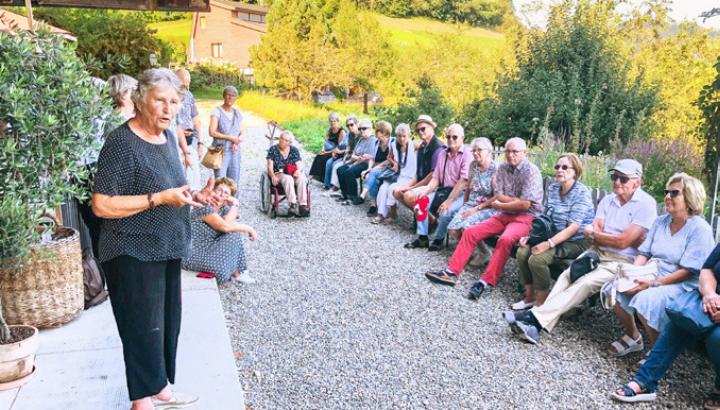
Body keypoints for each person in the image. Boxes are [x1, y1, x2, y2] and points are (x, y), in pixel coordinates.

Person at [91, 68, 216, 410]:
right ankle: (141, 401)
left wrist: (200, 196)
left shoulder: (165, 139)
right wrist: (158, 199)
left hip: (166, 245)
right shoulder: (121, 142)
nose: (168, 108)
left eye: (174, 101)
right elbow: (101, 205)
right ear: (139, 100)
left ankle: (160, 388)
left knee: (165, 323)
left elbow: (169, 185)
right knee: (140, 327)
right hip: (130, 249)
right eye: (159, 100)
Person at [505, 159, 658, 345]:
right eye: (614, 177)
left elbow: (622, 242)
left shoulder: (646, 204)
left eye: (623, 179)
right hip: (597, 252)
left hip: (623, 261)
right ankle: (535, 324)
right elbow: (592, 232)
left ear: (638, 182)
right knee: (566, 276)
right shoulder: (609, 200)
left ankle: (533, 319)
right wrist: (603, 237)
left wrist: (600, 236)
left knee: (584, 283)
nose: (617, 182)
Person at [608, 173, 713, 361]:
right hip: (652, 273)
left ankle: (658, 353)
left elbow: (689, 270)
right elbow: (645, 253)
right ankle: (633, 336)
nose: (667, 197)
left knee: (645, 299)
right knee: (613, 289)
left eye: (674, 193)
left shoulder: (699, 228)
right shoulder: (660, 221)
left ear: (690, 198)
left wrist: (653, 283)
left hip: (681, 283)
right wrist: (633, 273)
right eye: (667, 192)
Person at [425, 137, 543, 300]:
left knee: (505, 239)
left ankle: (485, 281)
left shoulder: (532, 171)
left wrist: (504, 204)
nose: (510, 155)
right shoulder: (502, 168)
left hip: (526, 218)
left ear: (524, 153)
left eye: (515, 151)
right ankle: (450, 272)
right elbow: (500, 196)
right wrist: (512, 202)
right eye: (508, 151)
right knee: (470, 232)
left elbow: (524, 206)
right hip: (504, 214)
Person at [610, 256, 720, 407]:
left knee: (716, 338)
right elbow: (707, 268)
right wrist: (709, 294)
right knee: (680, 322)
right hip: (712, 298)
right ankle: (645, 381)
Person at [512, 153, 595, 310]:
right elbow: (545, 218)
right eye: (557, 167)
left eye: (565, 167)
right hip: (554, 235)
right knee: (522, 252)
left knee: (537, 259)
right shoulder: (553, 188)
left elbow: (573, 228)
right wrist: (531, 237)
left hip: (576, 241)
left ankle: (541, 302)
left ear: (575, 172)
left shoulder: (581, 193)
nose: (559, 170)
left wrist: (547, 244)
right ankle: (529, 297)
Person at [404, 123, 472, 251]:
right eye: (448, 137)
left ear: (462, 138)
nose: (451, 139)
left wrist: (449, 201)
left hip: (461, 193)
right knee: (419, 203)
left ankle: (438, 239)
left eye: (455, 137)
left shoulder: (467, 155)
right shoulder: (443, 153)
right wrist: (426, 190)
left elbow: (463, 181)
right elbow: (436, 177)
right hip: (444, 190)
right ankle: (422, 238)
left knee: (445, 211)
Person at [182, 177, 257, 283]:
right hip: (192, 253)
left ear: (227, 200)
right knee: (222, 273)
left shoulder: (224, 209)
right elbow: (225, 227)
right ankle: (237, 273)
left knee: (233, 233)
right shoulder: (204, 207)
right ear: (213, 191)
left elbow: (229, 223)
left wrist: (235, 203)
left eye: (226, 193)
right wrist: (249, 229)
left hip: (208, 248)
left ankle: (238, 273)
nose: (222, 194)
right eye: (219, 190)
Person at [393, 115, 444, 212]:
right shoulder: (422, 146)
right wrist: (407, 186)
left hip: (434, 186)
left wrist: (412, 188)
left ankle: (430, 220)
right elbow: (418, 173)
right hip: (421, 182)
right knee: (396, 192)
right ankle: (422, 216)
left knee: (408, 196)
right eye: (418, 130)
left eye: (423, 129)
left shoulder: (438, 148)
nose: (420, 132)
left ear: (431, 127)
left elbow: (432, 175)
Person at [372, 123, 417, 225]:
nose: (401, 139)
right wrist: (394, 163)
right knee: (384, 188)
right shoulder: (394, 145)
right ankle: (381, 214)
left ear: (408, 135)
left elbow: (428, 149)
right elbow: (389, 157)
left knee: (392, 188)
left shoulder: (414, 145)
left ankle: (393, 214)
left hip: (409, 178)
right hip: (397, 175)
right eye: (399, 136)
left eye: (404, 136)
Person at [209, 85, 244, 193]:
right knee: (220, 182)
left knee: (234, 182)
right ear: (224, 96)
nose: (230, 98)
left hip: (234, 151)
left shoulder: (237, 113)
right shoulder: (217, 111)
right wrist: (230, 138)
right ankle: (218, 207)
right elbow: (212, 132)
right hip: (221, 151)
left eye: (233, 96)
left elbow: (242, 132)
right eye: (228, 95)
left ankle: (232, 207)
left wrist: (237, 141)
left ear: (236, 98)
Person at [266, 130, 309, 217]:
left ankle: (302, 206)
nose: (282, 141)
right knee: (288, 179)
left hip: (292, 172)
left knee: (301, 178)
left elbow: (299, 164)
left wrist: (298, 171)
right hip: (279, 173)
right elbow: (269, 166)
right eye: (281, 138)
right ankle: (292, 205)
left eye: (286, 140)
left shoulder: (294, 150)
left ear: (290, 142)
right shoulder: (273, 149)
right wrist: (273, 176)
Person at [174, 69, 204, 191]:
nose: (186, 88)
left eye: (188, 84)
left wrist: (201, 142)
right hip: (175, 146)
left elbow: (196, 120)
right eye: (183, 85)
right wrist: (179, 131)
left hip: (189, 142)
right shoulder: (169, 97)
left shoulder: (189, 95)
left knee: (194, 182)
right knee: (178, 183)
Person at [336, 118, 378, 205]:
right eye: (360, 129)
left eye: (364, 128)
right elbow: (354, 154)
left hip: (366, 164)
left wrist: (357, 158)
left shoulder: (373, 140)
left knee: (349, 172)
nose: (361, 131)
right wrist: (353, 159)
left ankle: (352, 197)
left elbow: (368, 157)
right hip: (357, 161)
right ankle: (345, 195)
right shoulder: (361, 139)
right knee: (340, 170)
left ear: (370, 129)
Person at [359, 120, 393, 214]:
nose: (379, 139)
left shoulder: (393, 142)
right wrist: (369, 168)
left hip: (388, 168)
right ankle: (373, 204)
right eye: (378, 137)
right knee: (371, 174)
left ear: (386, 134)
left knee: (372, 174)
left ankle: (364, 194)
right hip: (377, 167)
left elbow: (390, 160)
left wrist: (374, 169)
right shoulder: (377, 143)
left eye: (381, 137)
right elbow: (372, 158)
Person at [326, 115, 359, 195]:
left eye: (352, 125)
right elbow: (342, 145)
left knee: (337, 166)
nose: (350, 127)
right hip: (348, 156)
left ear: (357, 124)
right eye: (348, 125)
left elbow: (357, 151)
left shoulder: (360, 135)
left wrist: (346, 154)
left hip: (356, 158)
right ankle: (333, 187)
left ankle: (336, 188)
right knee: (334, 164)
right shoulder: (349, 135)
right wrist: (336, 151)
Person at [310, 112, 346, 184]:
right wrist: (323, 150)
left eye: (334, 121)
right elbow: (325, 141)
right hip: (328, 149)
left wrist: (326, 152)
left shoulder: (341, 132)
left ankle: (322, 178)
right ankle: (314, 176)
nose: (332, 123)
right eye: (331, 121)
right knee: (319, 156)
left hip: (336, 151)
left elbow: (339, 147)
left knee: (323, 158)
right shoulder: (329, 130)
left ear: (338, 121)